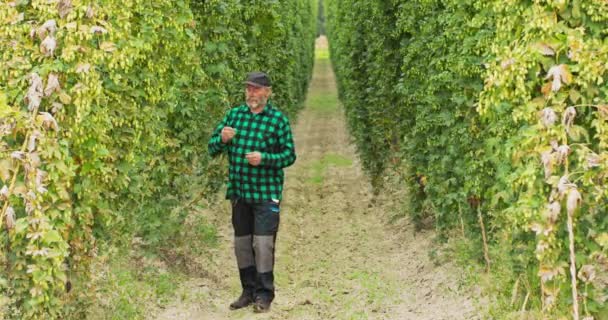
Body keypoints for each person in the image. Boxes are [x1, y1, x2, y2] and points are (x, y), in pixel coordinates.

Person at [207, 71, 296, 313]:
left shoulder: (277, 120)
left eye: (256, 89)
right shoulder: (234, 116)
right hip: (239, 192)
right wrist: (222, 139)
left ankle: (265, 294)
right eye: (248, 89)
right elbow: (212, 148)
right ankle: (247, 291)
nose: (251, 94)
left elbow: (289, 155)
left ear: (267, 92)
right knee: (242, 245)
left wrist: (264, 158)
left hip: (266, 193)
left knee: (264, 244)